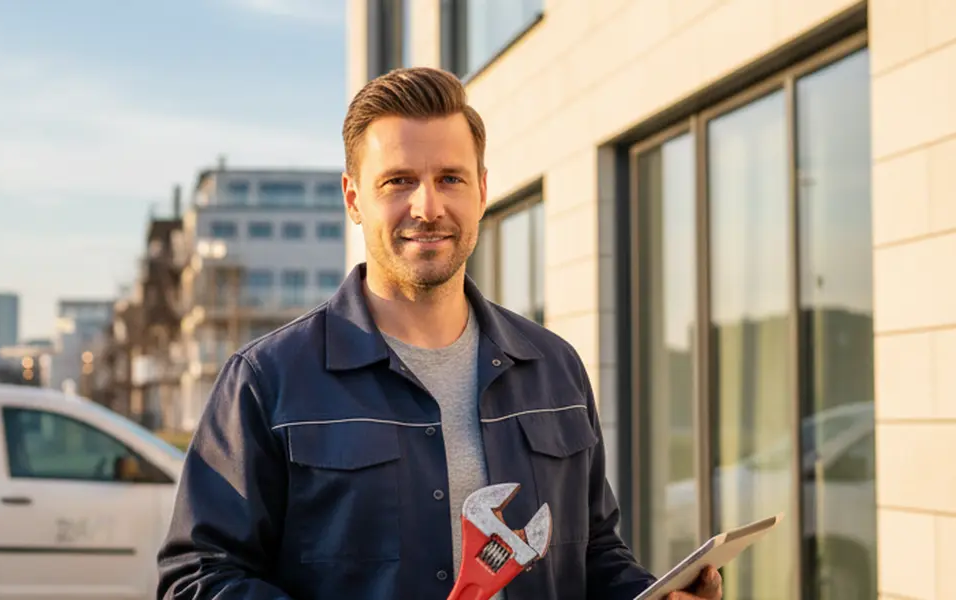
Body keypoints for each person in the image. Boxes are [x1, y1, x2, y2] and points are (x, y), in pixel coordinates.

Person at [155, 66, 723, 600]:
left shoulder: (555, 369)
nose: (427, 207)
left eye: (449, 178)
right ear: (354, 198)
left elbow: (594, 554)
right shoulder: (267, 381)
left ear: (481, 189)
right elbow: (198, 578)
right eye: (398, 181)